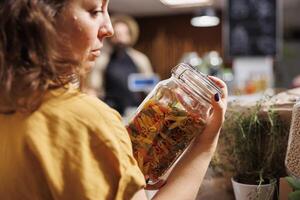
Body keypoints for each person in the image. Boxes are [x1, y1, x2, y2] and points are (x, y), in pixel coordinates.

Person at [0, 0, 227, 200]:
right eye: (95, 10)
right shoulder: (89, 122)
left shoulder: (9, 103)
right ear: (43, 18)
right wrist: (205, 144)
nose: (108, 29)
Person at [86, 14, 153, 115]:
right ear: (111, 36)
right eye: (117, 34)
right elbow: (93, 88)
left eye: (123, 34)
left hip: (135, 112)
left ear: (130, 35)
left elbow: (150, 89)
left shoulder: (140, 59)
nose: (120, 39)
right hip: (110, 112)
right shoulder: (101, 60)